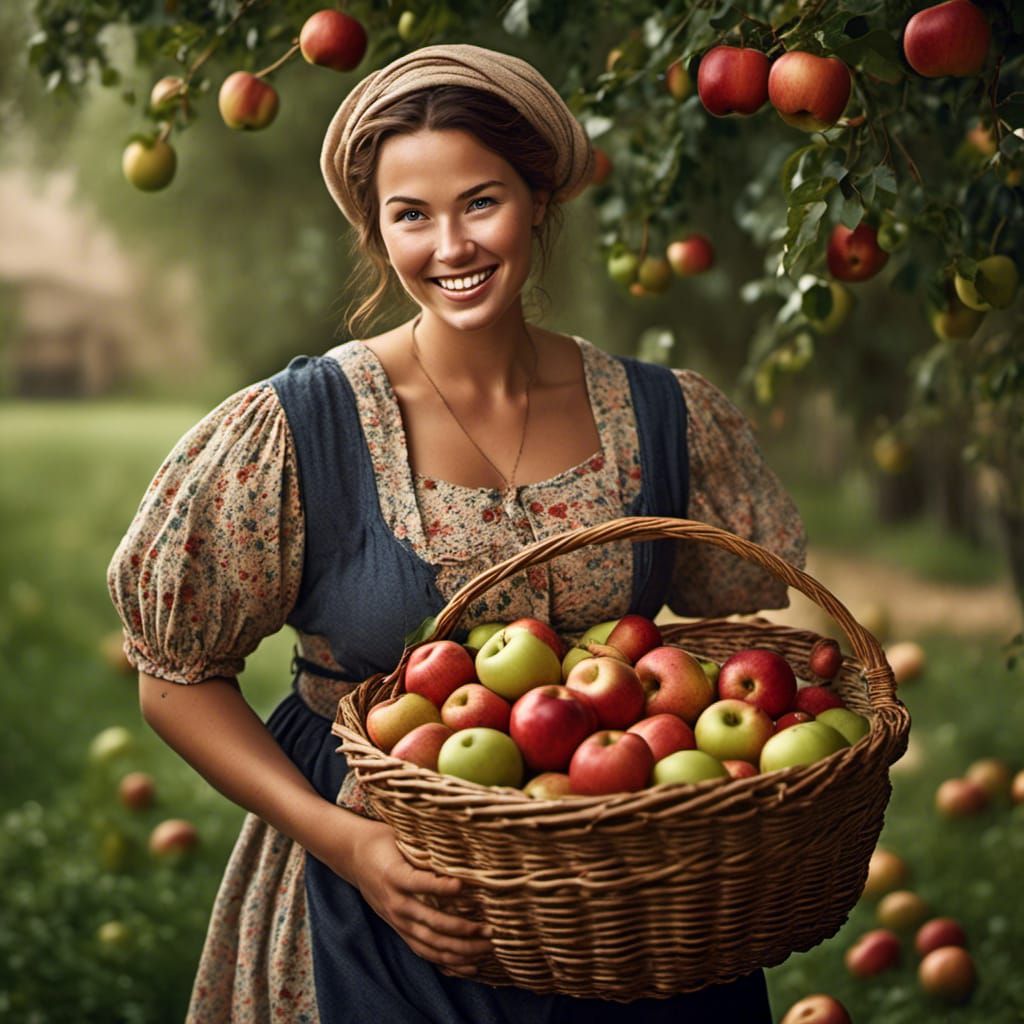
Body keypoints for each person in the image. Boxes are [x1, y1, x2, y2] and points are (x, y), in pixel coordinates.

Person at [107, 43, 806, 1024]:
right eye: (410, 215)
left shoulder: (659, 415)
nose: (451, 246)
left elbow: (720, 650)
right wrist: (343, 842)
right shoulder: (300, 429)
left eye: (481, 201)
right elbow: (174, 679)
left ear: (539, 200)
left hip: (630, 908)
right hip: (384, 898)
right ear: (373, 227)